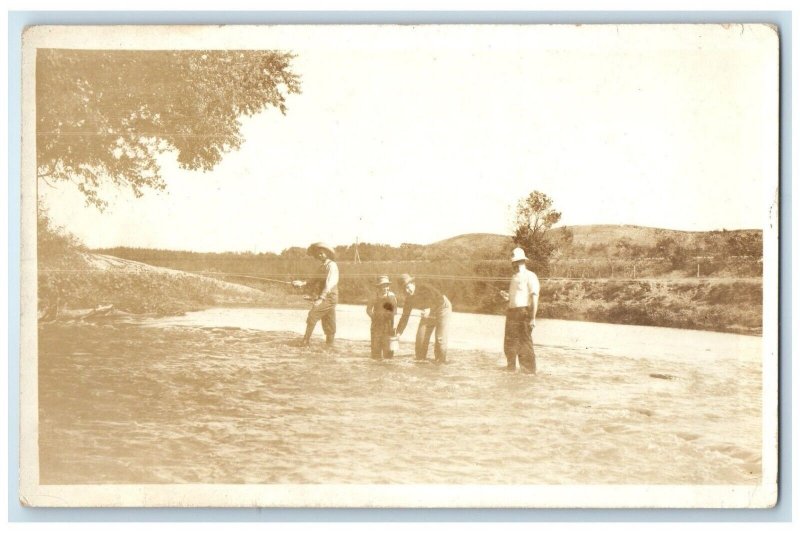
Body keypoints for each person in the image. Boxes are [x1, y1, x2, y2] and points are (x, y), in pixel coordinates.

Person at [499, 247, 540, 373]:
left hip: (524, 313)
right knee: (509, 344)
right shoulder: (514, 277)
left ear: (520, 261)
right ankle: (510, 370)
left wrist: (532, 318)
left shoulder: (530, 276)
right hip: (512, 313)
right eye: (513, 262)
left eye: (515, 262)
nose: (513, 264)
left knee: (525, 345)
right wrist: (507, 297)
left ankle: (529, 373)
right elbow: (515, 298)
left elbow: (534, 297)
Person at [396, 273, 451, 363]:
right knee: (420, 341)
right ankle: (421, 365)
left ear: (413, 284)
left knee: (440, 340)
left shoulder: (424, 287)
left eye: (408, 287)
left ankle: (441, 363)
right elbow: (404, 317)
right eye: (404, 289)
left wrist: (430, 309)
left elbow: (440, 298)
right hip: (428, 312)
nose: (407, 290)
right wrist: (398, 332)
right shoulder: (408, 299)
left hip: (442, 308)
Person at [300, 242, 339, 348]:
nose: (319, 255)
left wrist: (321, 299)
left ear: (327, 253)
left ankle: (305, 342)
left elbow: (329, 284)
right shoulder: (322, 266)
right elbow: (312, 280)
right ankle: (329, 345)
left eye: (322, 253)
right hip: (327, 296)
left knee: (313, 314)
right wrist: (301, 283)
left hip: (329, 296)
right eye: (318, 254)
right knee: (329, 320)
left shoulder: (332, 266)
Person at [366, 275, 398, 359]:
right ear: (379, 287)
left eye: (386, 286)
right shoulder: (374, 296)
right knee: (375, 352)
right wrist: (374, 317)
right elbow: (368, 310)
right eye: (383, 286)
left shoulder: (391, 296)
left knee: (388, 354)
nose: (385, 288)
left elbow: (395, 311)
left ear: (388, 286)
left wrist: (390, 316)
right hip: (376, 326)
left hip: (388, 326)